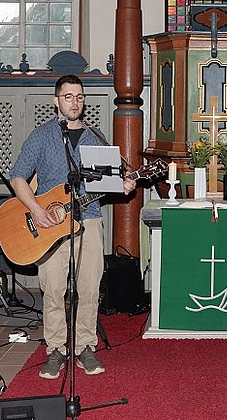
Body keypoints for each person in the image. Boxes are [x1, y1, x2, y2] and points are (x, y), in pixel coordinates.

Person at [8, 74, 135, 379]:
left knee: (90, 288)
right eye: (68, 97)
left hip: (89, 219)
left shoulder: (97, 137)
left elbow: (110, 181)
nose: (74, 102)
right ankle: (55, 350)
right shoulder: (41, 136)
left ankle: (84, 348)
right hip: (50, 225)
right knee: (53, 290)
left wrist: (125, 183)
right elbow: (18, 178)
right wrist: (37, 211)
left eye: (79, 97)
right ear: (56, 101)